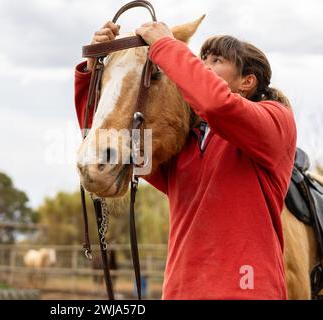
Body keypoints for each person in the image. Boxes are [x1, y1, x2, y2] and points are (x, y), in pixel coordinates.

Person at [74, 21, 297, 300]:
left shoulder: (275, 122)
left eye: (216, 60)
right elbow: (105, 144)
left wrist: (167, 46)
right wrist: (92, 69)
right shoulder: (184, 147)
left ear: (246, 82)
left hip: (247, 291)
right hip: (181, 293)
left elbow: (216, 104)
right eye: (201, 58)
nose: (202, 65)